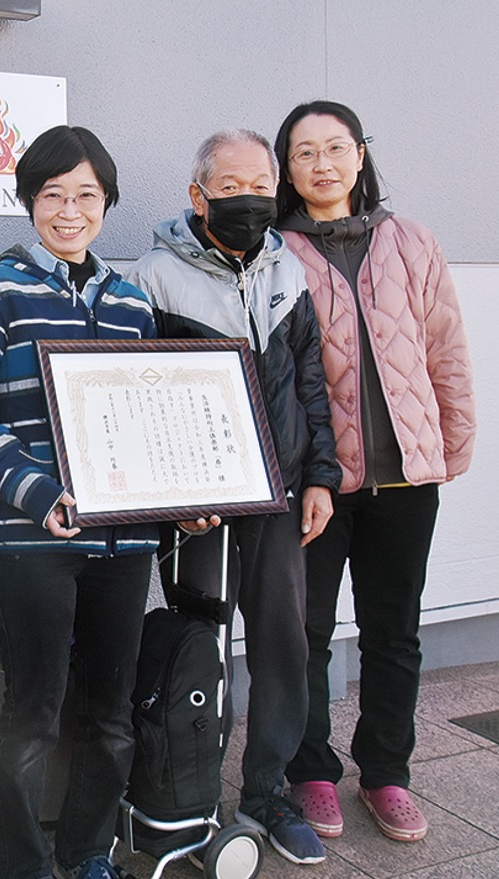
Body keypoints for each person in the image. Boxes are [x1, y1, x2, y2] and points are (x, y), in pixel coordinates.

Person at [0, 125, 158, 879]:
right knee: (33, 712)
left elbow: (145, 421)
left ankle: (88, 853)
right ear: (30, 201)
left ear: (107, 202)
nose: (70, 211)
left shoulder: (131, 303)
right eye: (53, 195)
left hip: (122, 541)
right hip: (29, 537)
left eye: (86, 196)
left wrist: (180, 501)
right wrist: (36, 493)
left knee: (112, 714)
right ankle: (25, 868)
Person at [125, 129, 341, 866]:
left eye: (260, 186)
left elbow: (312, 381)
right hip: (201, 504)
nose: (247, 200)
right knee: (201, 645)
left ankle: (265, 795)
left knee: (284, 641)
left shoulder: (289, 271)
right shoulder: (153, 277)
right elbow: (137, 398)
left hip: (278, 492)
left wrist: (321, 477)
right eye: (229, 187)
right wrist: (172, 497)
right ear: (198, 195)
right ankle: (190, 801)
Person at [272, 100, 476, 843]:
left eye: (336, 148)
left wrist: (451, 442)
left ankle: (387, 773)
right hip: (318, 484)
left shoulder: (412, 240)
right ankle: (312, 771)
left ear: (360, 155)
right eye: (304, 152)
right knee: (306, 633)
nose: (322, 164)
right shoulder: (276, 253)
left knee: (394, 631)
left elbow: (445, 348)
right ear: (287, 169)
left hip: (406, 478)